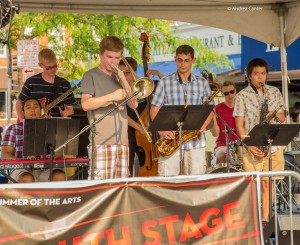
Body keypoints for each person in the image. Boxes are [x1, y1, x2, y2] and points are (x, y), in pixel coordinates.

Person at [233, 58, 286, 226]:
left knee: (268, 183)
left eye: (263, 74)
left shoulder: (274, 92)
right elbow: (239, 125)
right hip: (253, 145)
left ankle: (264, 220)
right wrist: (249, 145)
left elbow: (283, 116)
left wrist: (275, 114)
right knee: (254, 185)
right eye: (256, 74)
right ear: (249, 76)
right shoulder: (242, 96)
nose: (260, 77)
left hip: (273, 143)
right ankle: (252, 220)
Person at [150, 44, 213, 176]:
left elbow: (210, 110)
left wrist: (204, 124)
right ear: (175, 59)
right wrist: (161, 130)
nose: (182, 64)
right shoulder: (164, 82)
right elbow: (154, 108)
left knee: (195, 187)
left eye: (186, 60)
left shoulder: (203, 83)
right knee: (168, 187)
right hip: (170, 143)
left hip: (195, 144)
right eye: (179, 60)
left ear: (193, 60)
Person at [81, 36, 138, 180]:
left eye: (117, 58)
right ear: (100, 55)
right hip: (101, 142)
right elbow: (85, 104)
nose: (113, 62)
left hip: (122, 142)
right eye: (109, 57)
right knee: (100, 188)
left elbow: (134, 105)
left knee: (121, 188)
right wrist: (111, 96)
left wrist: (124, 79)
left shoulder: (119, 77)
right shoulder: (90, 75)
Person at [2, 98, 66, 183]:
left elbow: (60, 153)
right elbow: (5, 154)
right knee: (27, 178)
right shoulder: (14, 129)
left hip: (46, 169)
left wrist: (52, 155)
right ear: (23, 112)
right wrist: (24, 161)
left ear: (41, 110)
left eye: (35, 107)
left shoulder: (50, 128)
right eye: (28, 108)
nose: (32, 110)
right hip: (21, 170)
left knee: (59, 176)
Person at [16, 48, 76, 121]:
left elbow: (71, 109)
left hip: (57, 127)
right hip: (35, 126)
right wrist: (23, 123)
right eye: (48, 68)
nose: (53, 70)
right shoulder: (31, 82)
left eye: (55, 66)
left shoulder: (64, 84)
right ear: (40, 65)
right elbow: (19, 104)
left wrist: (67, 113)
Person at [211, 81, 238, 164]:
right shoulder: (217, 109)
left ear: (235, 91)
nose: (230, 95)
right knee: (221, 156)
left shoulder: (241, 106)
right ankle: (222, 176)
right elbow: (215, 134)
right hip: (223, 144)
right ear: (222, 94)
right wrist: (212, 116)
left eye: (232, 92)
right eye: (226, 93)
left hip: (240, 144)